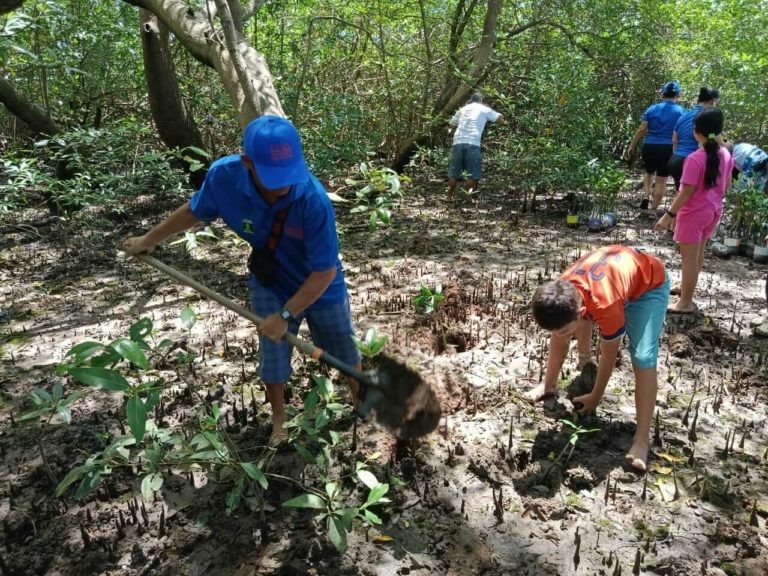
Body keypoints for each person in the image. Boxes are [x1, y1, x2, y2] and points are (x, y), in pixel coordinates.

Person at [123, 115, 361, 444]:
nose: (283, 185)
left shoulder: (312, 199)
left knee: (344, 348)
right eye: (273, 176)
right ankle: (279, 421)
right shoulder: (224, 177)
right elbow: (194, 211)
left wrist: (286, 315)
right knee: (272, 354)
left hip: (318, 283)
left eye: (288, 173)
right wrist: (149, 240)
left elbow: (324, 272)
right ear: (247, 162)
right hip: (270, 280)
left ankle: (362, 403)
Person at [527, 245, 669, 472]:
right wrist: (548, 384)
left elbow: (609, 355)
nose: (559, 336)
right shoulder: (562, 290)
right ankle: (557, 378)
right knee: (565, 330)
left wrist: (596, 396)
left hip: (648, 288)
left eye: (563, 332)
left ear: (581, 312)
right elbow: (559, 337)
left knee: (643, 357)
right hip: (614, 281)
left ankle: (642, 439)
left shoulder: (605, 305)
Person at [655, 108, 732, 314]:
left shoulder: (695, 158)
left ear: (696, 132)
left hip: (694, 214)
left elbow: (686, 192)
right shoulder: (725, 154)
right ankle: (686, 288)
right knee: (698, 254)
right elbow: (727, 185)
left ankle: (685, 302)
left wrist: (668, 216)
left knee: (688, 258)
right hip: (713, 211)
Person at [627, 81, 685, 213]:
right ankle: (653, 210)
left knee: (649, 172)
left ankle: (646, 195)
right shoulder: (681, 111)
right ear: (678, 95)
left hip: (650, 146)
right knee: (661, 180)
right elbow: (682, 132)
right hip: (668, 148)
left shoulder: (652, 109)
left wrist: (632, 145)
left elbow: (642, 129)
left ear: (662, 94)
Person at [447, 93, 503, 202]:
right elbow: (500, 119)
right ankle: (468, 197)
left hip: (458, 142)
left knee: (454, 173)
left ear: (470, 100)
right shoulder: (484, 109)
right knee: (472, 173)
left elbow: (452, 123)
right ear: (481, 101)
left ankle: (448, 196)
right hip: (473, 143)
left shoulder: (463, 109)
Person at [668, 86, 720, 191]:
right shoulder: (709, 117)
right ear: (713, 101)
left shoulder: (684, 115)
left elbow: (674, 140)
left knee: (681, 194)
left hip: (675, 160)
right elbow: (718, 142)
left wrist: (677, 156)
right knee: (694, 196)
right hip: (693, 161)